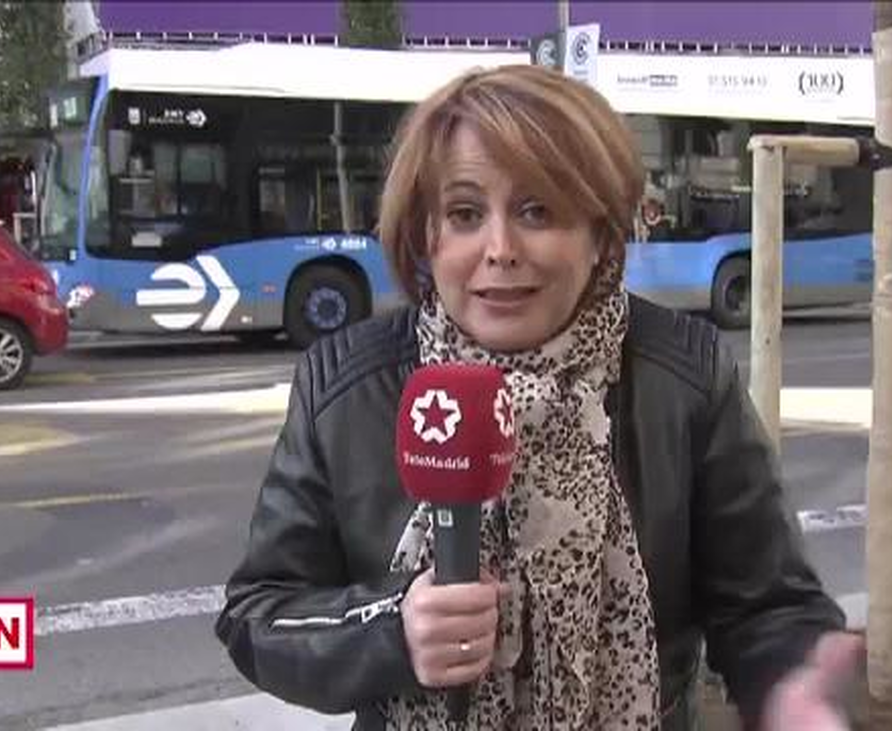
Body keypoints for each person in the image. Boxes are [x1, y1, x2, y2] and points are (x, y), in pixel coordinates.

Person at [216, 64, 858, 730]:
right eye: (464, 214)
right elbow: (259, 614)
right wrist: (391, 626)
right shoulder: (344, 384)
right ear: (425, 233)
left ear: (600, 234)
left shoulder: (684, 376)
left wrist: (791, 683)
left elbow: (767, 605)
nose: (499, 249)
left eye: (536, 211)